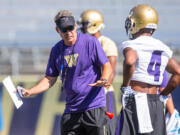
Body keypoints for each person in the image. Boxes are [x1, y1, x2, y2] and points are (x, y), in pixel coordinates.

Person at [17, 10, 113, 135]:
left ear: (75, 26)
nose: (69, 33)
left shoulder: (91, 42)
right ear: (58, 30)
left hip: (93, 108)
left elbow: (107, 66)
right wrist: (30, 91)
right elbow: (49, 79)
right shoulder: (56, 50)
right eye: (64, 30)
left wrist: (104, 79)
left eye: (71, 28)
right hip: (71, 111)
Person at [116, 4, 180, 135]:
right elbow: (177, 72)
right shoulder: (162, 47)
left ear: (137, 23)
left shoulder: (132, 44)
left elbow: (129, 61)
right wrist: (165, 94)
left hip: (136, 99)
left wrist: (125, 86)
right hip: (156, 102)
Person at [78, 9, 118, 135]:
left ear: (94, 24)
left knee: (106, 130)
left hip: (102, 95)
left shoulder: (106, 43)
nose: (82, 27)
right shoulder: (83, 44)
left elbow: (110, 71)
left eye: (85, 24)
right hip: (85, 95)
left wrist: (101, 91)